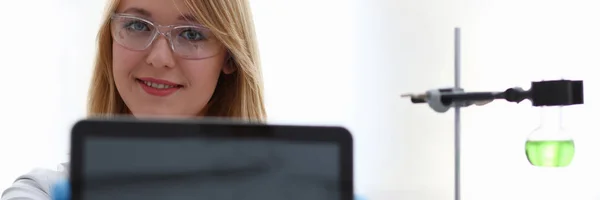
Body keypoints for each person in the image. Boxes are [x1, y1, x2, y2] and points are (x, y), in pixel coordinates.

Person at [1, 0, 266, 199]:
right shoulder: (41, 192)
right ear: (110, 42)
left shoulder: (284, 189)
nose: (159, 58)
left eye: (191, 34)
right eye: (137, 26)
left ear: (230, 57)